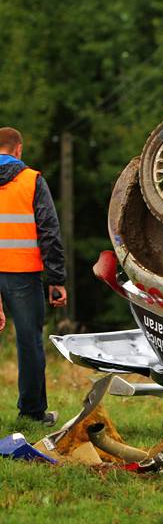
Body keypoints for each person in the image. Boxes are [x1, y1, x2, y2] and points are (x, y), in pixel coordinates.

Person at [0, 127, 67, 427]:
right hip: (22, 274)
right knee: (29, 342)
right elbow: (48, 231)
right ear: (18, 149)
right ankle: (32, 412)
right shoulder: (31, 180)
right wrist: (56, 279)